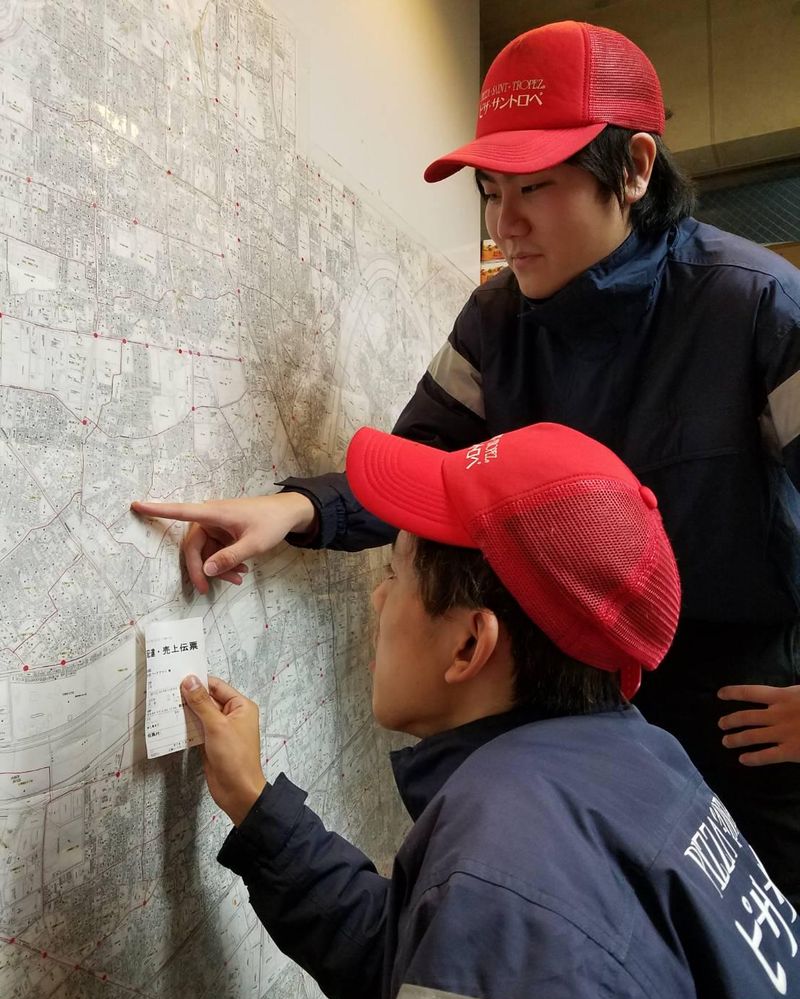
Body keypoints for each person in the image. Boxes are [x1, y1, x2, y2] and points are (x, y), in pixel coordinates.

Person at [132, 21, 800, 902]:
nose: (504, 224)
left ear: (635, 169)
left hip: (743, 728)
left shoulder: (759, 309)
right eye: (491, 191)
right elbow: (424, 470)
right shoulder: (495, 321)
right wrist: (294, 510)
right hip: (574, 722)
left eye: (537, 188)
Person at [179, 422, 800, 999]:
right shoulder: (642, 762)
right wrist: (257, 808)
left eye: (396, 573)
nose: (378, 597)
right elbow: (434, 977)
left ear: (471, 645)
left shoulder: (511, 877)